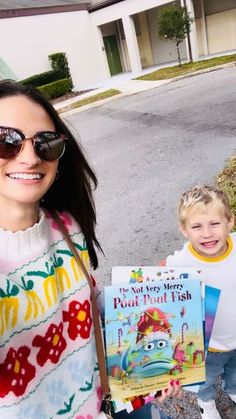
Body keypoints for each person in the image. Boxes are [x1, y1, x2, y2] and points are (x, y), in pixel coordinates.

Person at [0, 80, 181, 418]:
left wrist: (150, 372)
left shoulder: (66, 226)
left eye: (45, 143)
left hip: (112, 403)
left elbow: (91, 323)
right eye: (5, 141)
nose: (28, 157)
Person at [164, 185, 236, 419]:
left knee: (235, 373)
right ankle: (207, 402)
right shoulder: (180, 263)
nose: (207, 234)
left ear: (230, 222)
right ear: (184, 230)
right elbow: (155, 281)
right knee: (203, 379)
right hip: (207, 346)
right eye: (196, 226)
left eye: (215, 224)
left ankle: (233, 390)